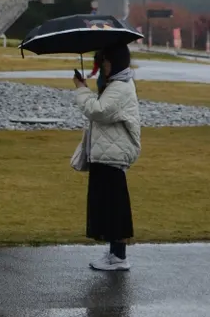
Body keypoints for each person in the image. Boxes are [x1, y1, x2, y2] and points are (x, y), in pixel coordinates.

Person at [73, 43, 141, 272]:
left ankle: (119, 257)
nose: (103, 66)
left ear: (116, 62)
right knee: (110, 205)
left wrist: (81, 89)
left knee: (114, 206)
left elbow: (99, 111)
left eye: (106, 61)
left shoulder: (120, 86)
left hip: (112, 154)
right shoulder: (116, 84)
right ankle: (115, 254)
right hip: (107, 152)